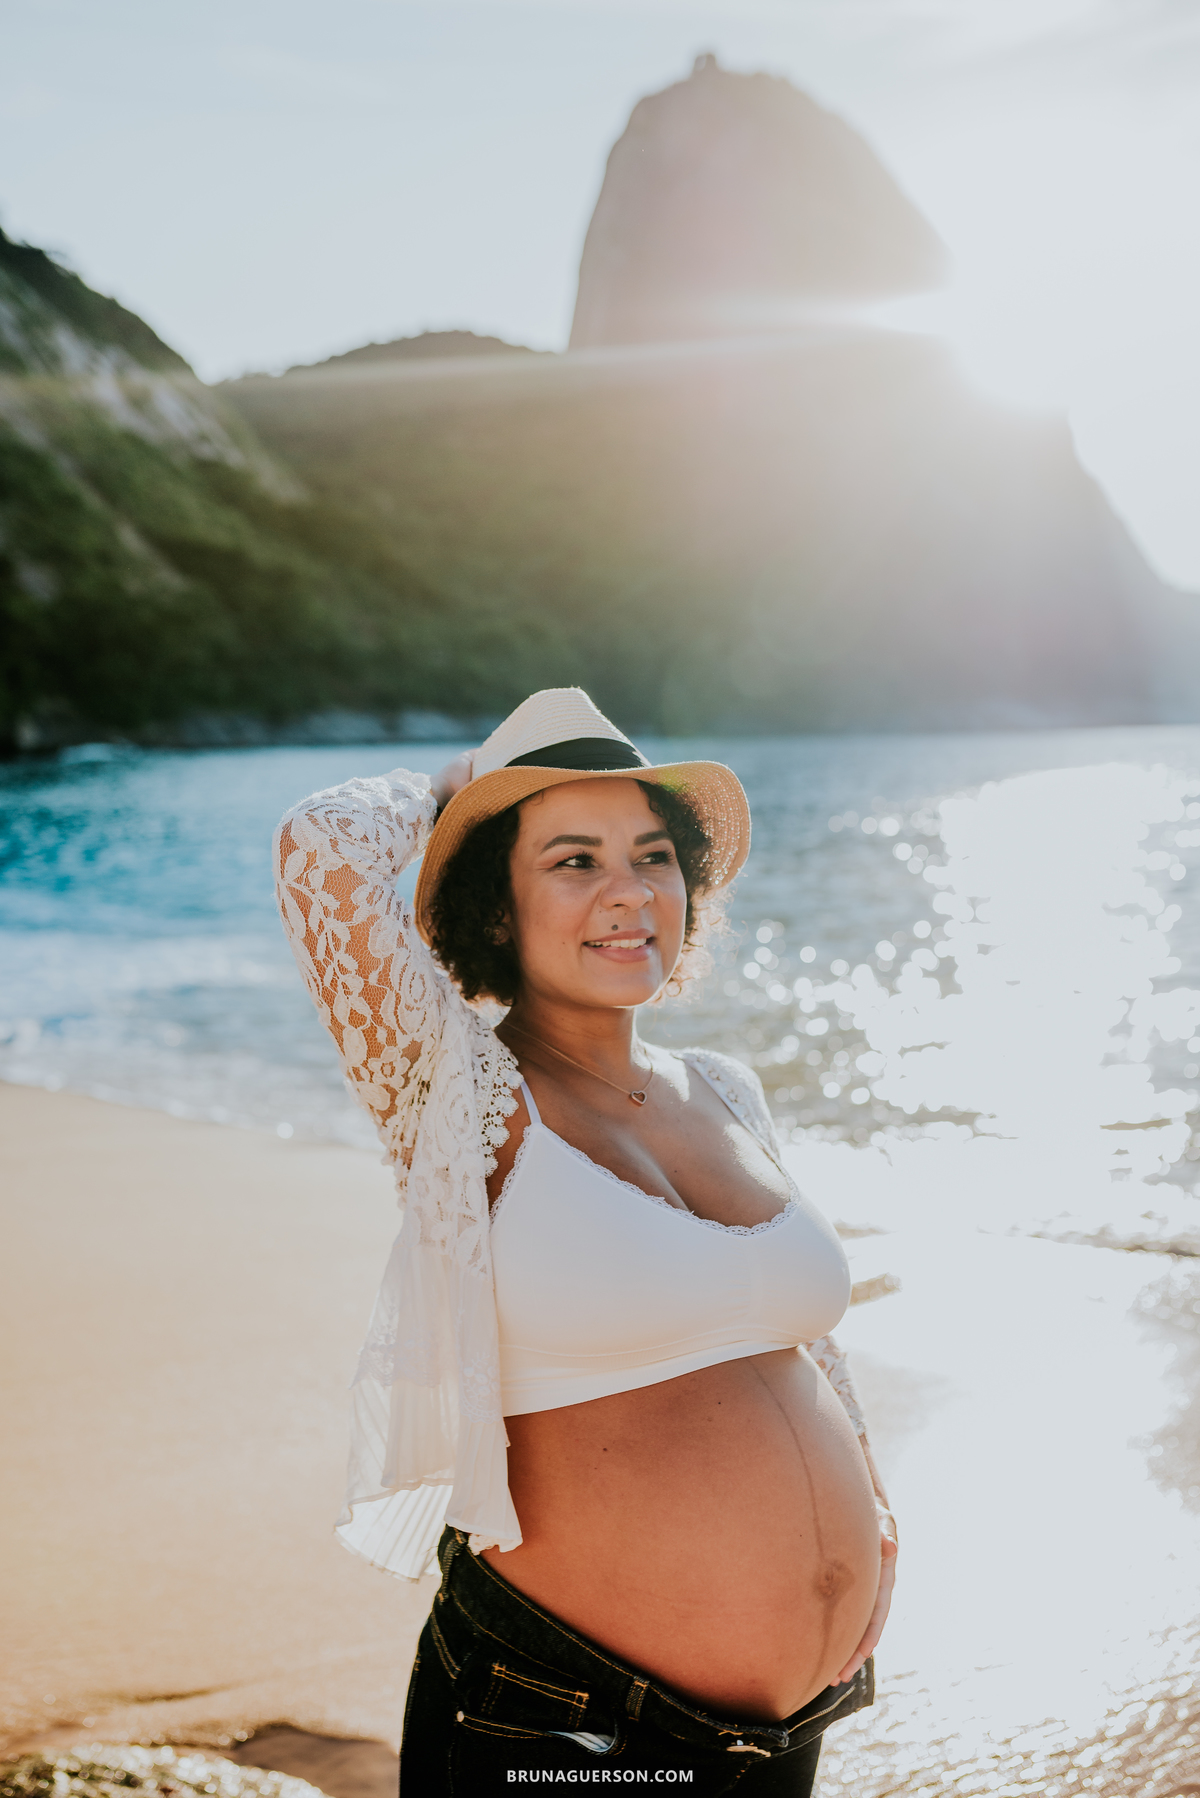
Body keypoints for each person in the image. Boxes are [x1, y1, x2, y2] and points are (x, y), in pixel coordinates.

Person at [274, 688, 897, 1795]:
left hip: (790, 1726)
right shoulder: (462, 1093)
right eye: (572, 859)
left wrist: (875, 1513)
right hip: (567, 1724)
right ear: (493, 907)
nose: (628, 891)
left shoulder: (724, 1087)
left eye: (653, 855)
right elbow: (318, 843)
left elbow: (797, 1339)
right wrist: (469, 786)